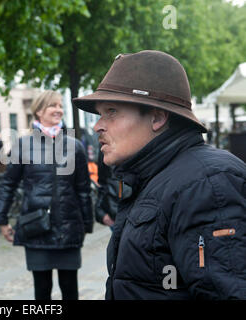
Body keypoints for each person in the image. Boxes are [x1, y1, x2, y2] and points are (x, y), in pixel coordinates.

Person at [73, 50, 246, 299]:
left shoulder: (208, 182)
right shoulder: (151, 177)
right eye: (100, 113)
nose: (97, 125)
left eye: (111, 111)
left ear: (157, 117)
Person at [0, 90, 93, 300]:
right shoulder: (23, 145)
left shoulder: (74, 146)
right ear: (39, 111)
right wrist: (1, 220)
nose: (59, 110)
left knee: (70, 289)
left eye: (60, 106)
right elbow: (8, 184)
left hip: (68, 228)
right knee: (42, 290)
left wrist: (86, 223)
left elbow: (83, 189)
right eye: (53, 106)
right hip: (37, 228)